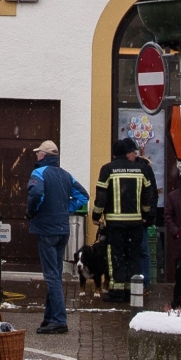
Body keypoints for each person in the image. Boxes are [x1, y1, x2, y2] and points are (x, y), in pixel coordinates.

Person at [25, 138, 83, 335]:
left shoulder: (39, 173)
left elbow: (36, 195)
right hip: (62, 230)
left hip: (46, 229)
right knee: (55, 274)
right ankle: (49, 318)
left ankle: (59, 320)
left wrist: (32, 212)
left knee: (51, 276)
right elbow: (83, 196)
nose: (37, 156)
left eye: (38, 153)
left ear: (43, 155)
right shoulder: (66, 175)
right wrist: (65, 209)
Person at [94, 138, 158, 303]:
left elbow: (101, 196)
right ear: (127, 153)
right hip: (135, 223)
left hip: (115, 224)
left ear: (114, 154)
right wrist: (144, 215)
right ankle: (133, 291)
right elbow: (148, 195)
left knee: (116, 256)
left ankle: (117, 292)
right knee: (133, 256)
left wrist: (96, 215)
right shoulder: (141, 169)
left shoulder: (107, 169)